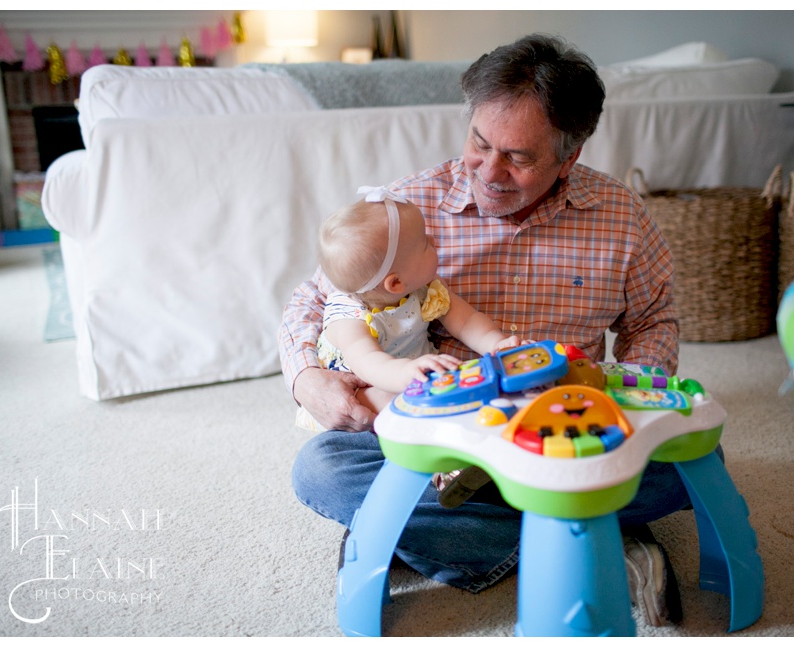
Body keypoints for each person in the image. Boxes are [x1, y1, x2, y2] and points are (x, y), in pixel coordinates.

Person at [280, 34, 696, 626]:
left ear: (569, 156)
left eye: (519, 158)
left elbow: (654, 319)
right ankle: (597, 541)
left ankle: (404, 536)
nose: (490, 171)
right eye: (480, 142)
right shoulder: (405, 212)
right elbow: (312, 300)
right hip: (440, 430)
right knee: (323, 468)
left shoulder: (621, 216)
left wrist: (625, 390)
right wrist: (308, 379)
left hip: (560, 423)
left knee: (686, 463)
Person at [296, 185, 523, 431]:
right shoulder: (348, 319)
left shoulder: (425, 288)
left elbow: (466, 322)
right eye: (425, 243)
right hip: (365, 385)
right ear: (395, 283)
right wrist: (408, 371)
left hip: (414, 371)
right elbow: (370, 363)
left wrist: (495, 343)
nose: (433, 240)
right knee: (388, 402)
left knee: (443, 399)